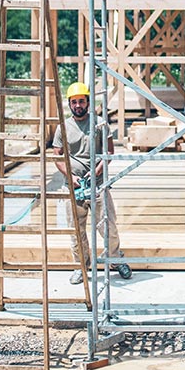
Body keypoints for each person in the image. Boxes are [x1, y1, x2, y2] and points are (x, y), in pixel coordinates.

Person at [52, 81, 132, 283]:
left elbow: (109, 151)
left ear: (88, 102)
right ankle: (81, 266)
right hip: (74, 187)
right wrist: (71, 177)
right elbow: (57, 156)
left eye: (81, 101)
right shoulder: (63, 127)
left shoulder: (99, 123)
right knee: (76, 230)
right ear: (69, 104)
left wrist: (96, 172)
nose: (78, 105)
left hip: (98, 185)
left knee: (108, 226)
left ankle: (115, 259)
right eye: (74, 102)